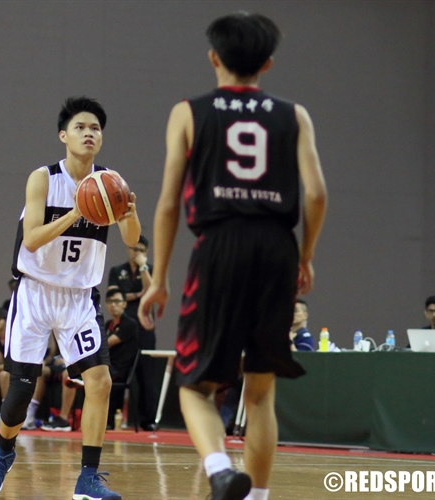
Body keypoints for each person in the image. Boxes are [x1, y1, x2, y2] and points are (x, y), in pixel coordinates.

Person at [138, 13, 327, 500]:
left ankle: (221, 471)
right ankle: (259, 497)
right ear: (268, 63)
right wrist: (304, 255)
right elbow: (317, 195)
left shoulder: (189, 112)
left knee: (193, 384)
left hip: (220, 245)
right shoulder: (294, 115)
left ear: (213, 57)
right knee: (261, 392)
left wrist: (158, 278)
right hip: (276, 246)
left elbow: (167, 204)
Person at [0, 96, 141, 500]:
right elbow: (31, 239)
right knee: (20, 391)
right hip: (34, 293)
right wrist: (76, 212)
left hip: (79, 298)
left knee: (99, 381)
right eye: (81, 127)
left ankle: (87, 477)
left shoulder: (109, 182)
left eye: (96, 128)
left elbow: (133, 241)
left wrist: (128, 213)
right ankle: (4, 450)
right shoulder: (44, 179)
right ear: (63, 135)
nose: (89, 133)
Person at [107, 235, 158, 431]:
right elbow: (114, 295)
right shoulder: (117, 270)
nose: (136, 253)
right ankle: (111, 418)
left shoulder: (151, 270)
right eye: (134, 249)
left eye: (141, 250)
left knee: (147, 375)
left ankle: (148, 420)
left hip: (144, 328)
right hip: (123, 327)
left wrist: (144, 267)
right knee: (117, 372)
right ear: (128, 249)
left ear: (146, 253)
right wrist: (139, 294)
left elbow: (152, 290)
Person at [103, 289, 139, 430]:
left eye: (117, 301)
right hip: (108, 366)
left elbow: (106, 344)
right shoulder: (107, 325)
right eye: (110, 302)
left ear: (124, 304)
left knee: (96, 376)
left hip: (121, 369)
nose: (113, 305)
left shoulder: (129, 324)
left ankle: (108, 421)